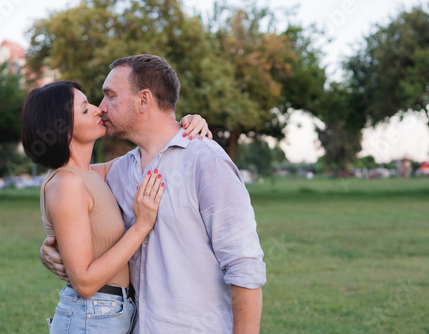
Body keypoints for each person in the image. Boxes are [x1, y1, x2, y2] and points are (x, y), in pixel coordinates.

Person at [41, 54, 267, 334]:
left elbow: (245, 267)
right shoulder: (120, 171)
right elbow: (68, 182)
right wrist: (53, 246)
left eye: (110, 96)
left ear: (144, 100)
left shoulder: (206, 161)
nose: (101, 108)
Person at [21, 80, 211, 333]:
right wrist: (142, 225)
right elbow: (85, 283)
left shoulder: (92, 174)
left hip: (110, 313)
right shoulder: (67, 183)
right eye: (85, 109)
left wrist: (187, 123)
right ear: (63, 128)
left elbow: (154, 148)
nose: (99, 109)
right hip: (92, 315)